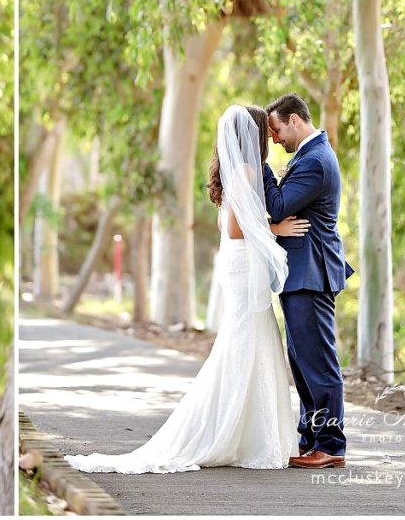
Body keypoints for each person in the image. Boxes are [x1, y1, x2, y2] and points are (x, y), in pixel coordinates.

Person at [65, 105, 305, 474]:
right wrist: (277, 231)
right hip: (242, 262)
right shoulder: (245, 169)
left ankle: (251, 434)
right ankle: (239, 434)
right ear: (255, 135)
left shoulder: (236, 169)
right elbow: (236, 228)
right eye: (265, 131)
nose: (271, 138)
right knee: (247, 340)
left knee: (252, 340)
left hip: (240, 264)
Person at [264, 93, 354, 469]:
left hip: (312, 273)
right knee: (301, 363)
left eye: (277, 129)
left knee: (318, 363)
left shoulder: (315, 161)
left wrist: (262, 166)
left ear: (295, 121)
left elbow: (279, 205)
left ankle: (331, 444)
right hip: (299, 273)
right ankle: (310, 439)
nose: (274, 139)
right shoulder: (308, 155)